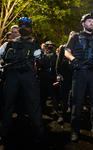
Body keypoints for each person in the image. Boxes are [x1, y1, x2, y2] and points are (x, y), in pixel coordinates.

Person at [0, 17, 44, 147]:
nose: (23, 28)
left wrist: (39, 56)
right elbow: (2, 58)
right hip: (12, 76)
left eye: (26, 26)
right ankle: (4, 136)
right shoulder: (10, 43)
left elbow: (41, 62)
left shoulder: (35, 43)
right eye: (21, 25)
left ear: (30, 28)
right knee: (7, 105)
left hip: (28, 76)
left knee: (34, 105)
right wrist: (2, 64)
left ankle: (39, 135)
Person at [64, 13, 93, 142]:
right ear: (83, 24)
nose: (91, 23)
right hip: (80, 72)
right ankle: (75, 131)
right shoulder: (75, 37)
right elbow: (66, 51)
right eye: (89, 21)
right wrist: (73, 59)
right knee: (77, 102)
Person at [36, 41, 58, 114]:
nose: (50, 47)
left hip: (52, 77)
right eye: (49, 46)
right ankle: (42, 109)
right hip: (43, 77)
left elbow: (57, 66)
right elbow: (39, 64)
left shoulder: (55, 56)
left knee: (53, 94)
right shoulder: (42, 55)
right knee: (43, 93)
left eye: (52, 46)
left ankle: (55, 109)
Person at [56, 44, 73, 125]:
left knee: (75, 96)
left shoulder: (77, 47)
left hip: (75, 76)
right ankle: (62, 114)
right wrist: (58, 74)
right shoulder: (63, 48)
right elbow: (58, 63)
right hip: (65, 76)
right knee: (64, 96)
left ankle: (73, 116)